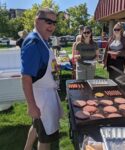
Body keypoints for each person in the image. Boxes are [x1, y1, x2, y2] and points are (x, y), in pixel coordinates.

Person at [21, 8, 63, 150]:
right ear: (37, 21)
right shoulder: (34, 43)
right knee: (45, 138)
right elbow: (26, 77)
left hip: (46, 94)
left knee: (36, 125)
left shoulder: (42, 40)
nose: (52, 26)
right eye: (48, 22)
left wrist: (54, 68)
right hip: (42, 99)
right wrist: (31, 105)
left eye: (54, 23)